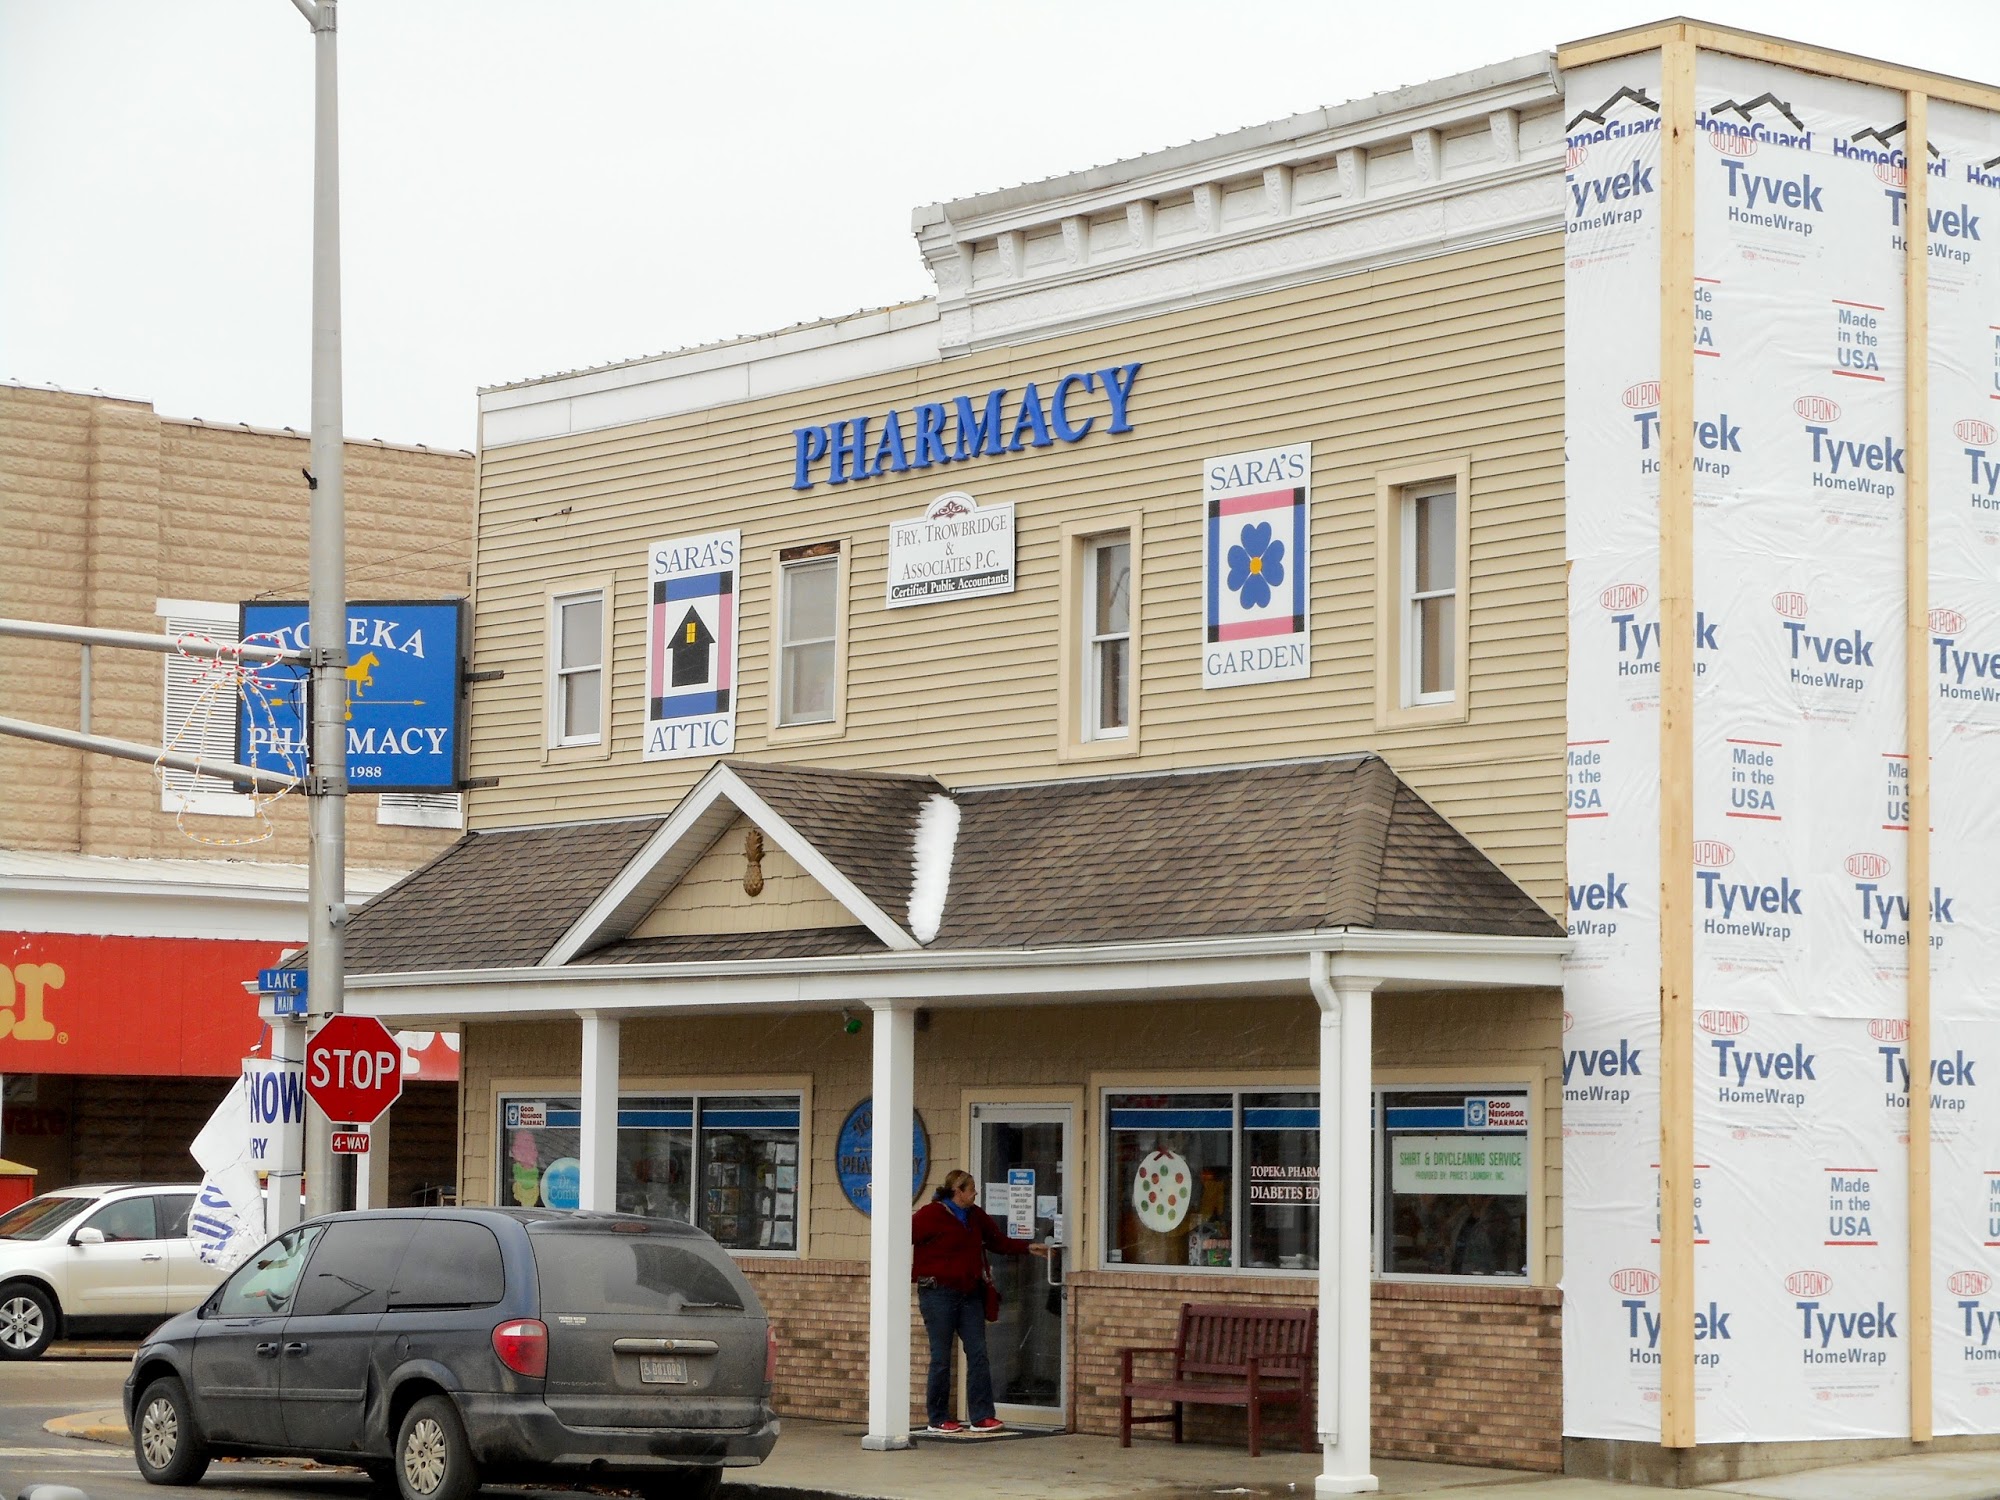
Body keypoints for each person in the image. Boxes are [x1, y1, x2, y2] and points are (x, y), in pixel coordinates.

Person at [911, 1170, 1048, 1434]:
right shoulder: (931, 1215)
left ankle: (982, 1415)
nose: (975, 1193)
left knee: (978, 1354)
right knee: (941, 1357)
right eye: (971, 1188)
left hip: (970, 1293)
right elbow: (904, 1234)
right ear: (957, 1191)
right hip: (938, 1293)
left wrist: (1029, 1247)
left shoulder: (976, 1216)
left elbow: (998, 1242)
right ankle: (938, 1417)